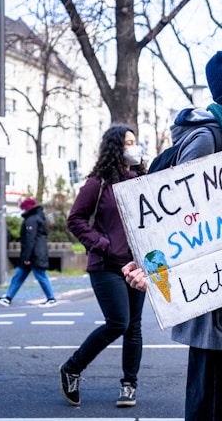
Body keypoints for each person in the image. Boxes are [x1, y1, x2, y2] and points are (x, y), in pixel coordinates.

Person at [124, 49, 222, 421]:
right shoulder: (210, 138)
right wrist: (151, 263)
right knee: (217, 401)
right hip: (217, 297)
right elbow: (178, 213)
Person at [59, 124, 147, 408]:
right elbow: (75, 219)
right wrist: (102, 244)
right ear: (114, 148)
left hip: (137, 266)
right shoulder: (97, 184)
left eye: (135, 142)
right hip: (106, 265)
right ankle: (72, 368)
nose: (133, 147)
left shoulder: (141, 180)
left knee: (134, 326)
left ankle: (129, 385)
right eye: (126, 143)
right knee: (118, 322)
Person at [0, 198, 57, 307]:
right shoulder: (37, 218)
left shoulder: (31, 220)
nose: (22, 211)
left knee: (40, 275)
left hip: (34, 255)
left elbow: (30, 240)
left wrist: (27, 258)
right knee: (19, 275)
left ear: (26, 208)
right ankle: (8, 297)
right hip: (36, 253)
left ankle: (51, 298)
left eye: (23, 208)